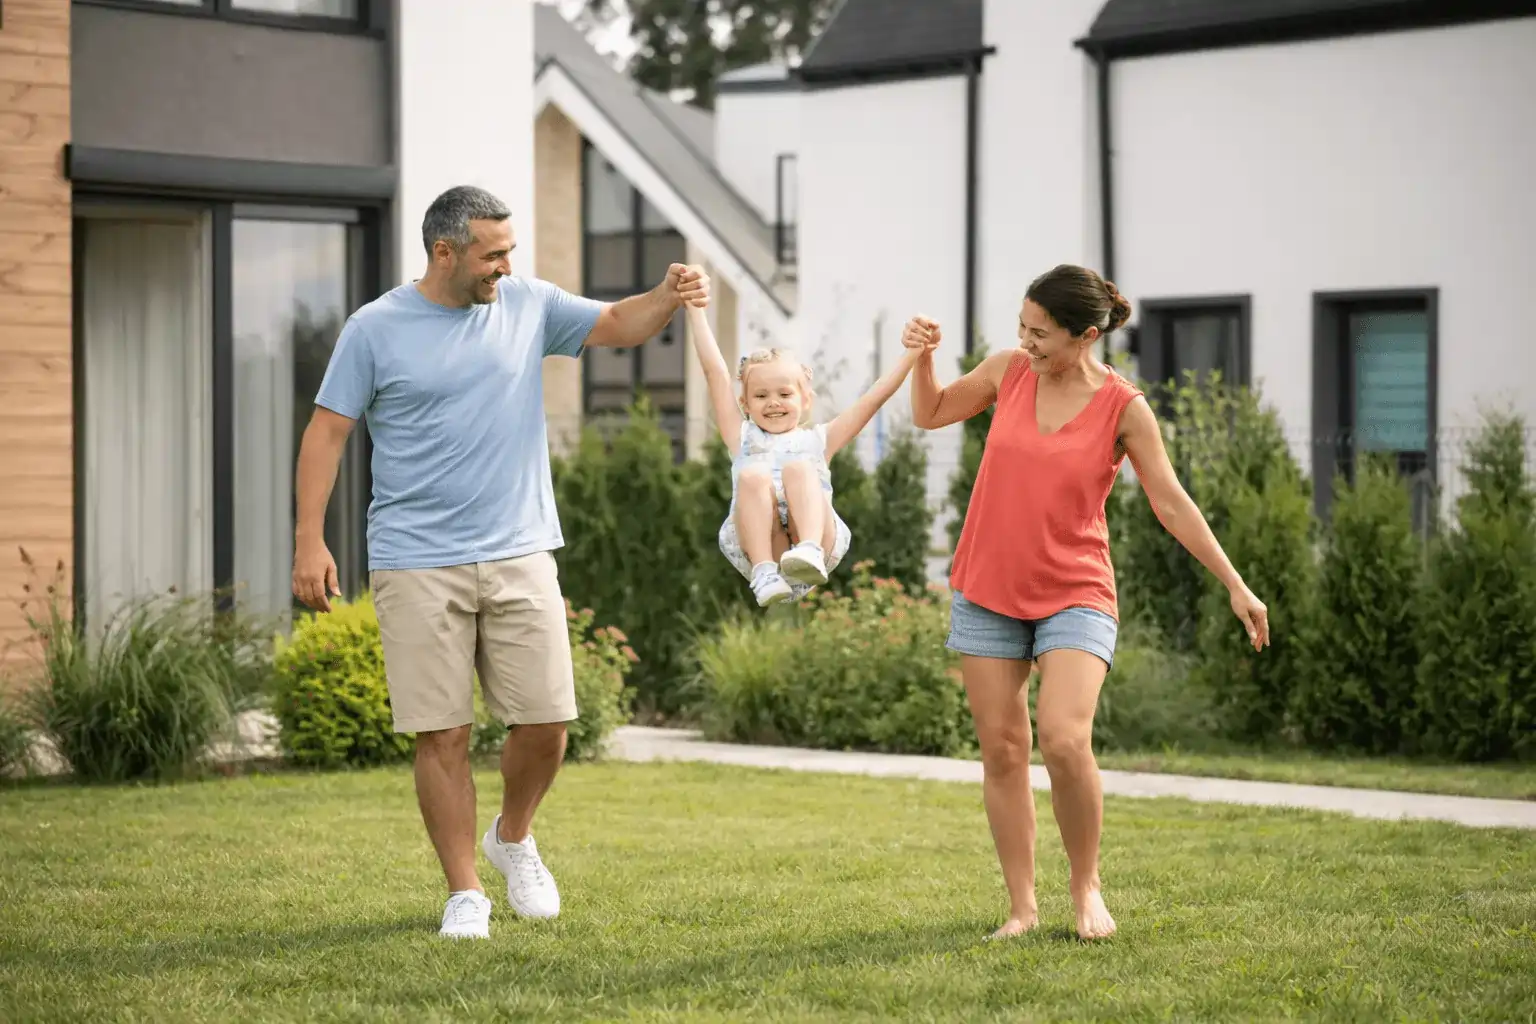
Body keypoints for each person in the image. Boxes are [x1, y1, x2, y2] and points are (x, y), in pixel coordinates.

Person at [291, 184, 708, 940]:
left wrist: (668, 294)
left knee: (548, 719)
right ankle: (464, 891)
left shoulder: (526, 303)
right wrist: (308, 539)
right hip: (416, 559)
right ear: (445, 252)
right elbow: (327, 432)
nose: (506, 267)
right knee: (442, 732)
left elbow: (618, 323)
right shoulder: (375, 329)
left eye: (510, 251)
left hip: (519, 547)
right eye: (493, 254)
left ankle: (513, 836)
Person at [902, 264, 1270, 942]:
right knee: (1005, 750)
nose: (1028, 342)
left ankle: (1086, 887)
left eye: (1041, 333)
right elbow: (929, 413)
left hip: (1075, 591)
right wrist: (922, 360)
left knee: (1065, 740)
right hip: (988, 587)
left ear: (1087, 335)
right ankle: (1021, 907)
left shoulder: (1122, 407)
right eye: (1023, 327)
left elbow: (1170, 500)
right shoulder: (1008, 372)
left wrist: (1234, 583)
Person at [683, 298, 921, 606]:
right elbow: (715, 372)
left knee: (799, 467)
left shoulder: (819, 441)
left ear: (806, 399)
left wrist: (913, 353)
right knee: (752, 476)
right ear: (745, 404)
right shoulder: (741, 437)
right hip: (764, 544)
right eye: (760, 395)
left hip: (817, 539)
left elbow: (872, 399)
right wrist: (695, 308)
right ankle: (764, 572)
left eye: (784, 394)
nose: (773, 402)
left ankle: (808, 551)